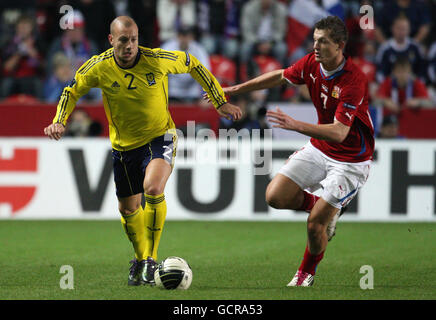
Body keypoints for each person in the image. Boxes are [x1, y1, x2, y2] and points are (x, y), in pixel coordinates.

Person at [44, 16, 242, 287]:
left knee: (152, 188)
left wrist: (219, 101)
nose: (130, 46)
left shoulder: (157, 59)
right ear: (111, 40)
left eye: (134, 39)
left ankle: (151, 259)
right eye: (123, 40)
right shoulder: (98, 67)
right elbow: (71, 90)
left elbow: (194, 64)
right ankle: (140, 259)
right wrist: (59, 120)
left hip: (160, 136)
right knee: (128, 209)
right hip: (124, 146)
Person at [219, 16, 374, 287]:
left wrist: (296, 125)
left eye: (323, 41)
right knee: (275, 196)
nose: (316, 45)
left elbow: (339, 132)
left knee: (315, 226)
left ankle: (305, 274)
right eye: (314, 39)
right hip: (320, 148)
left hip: (351, 160)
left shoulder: (353, 80)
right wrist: (236, 88)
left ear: (339, 45)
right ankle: (324, 210)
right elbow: (280, 75)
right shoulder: (312, 63)